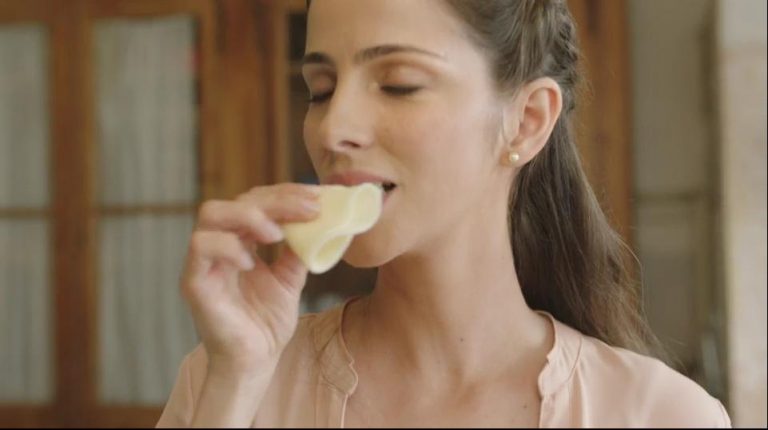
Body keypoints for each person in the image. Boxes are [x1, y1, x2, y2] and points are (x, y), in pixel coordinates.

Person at [157, 0, 731, 427]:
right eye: (321, 89)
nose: (332, 129)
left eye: (399, 85)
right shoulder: (225, 382)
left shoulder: (660, 416)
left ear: (527, 120)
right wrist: (235, 385)